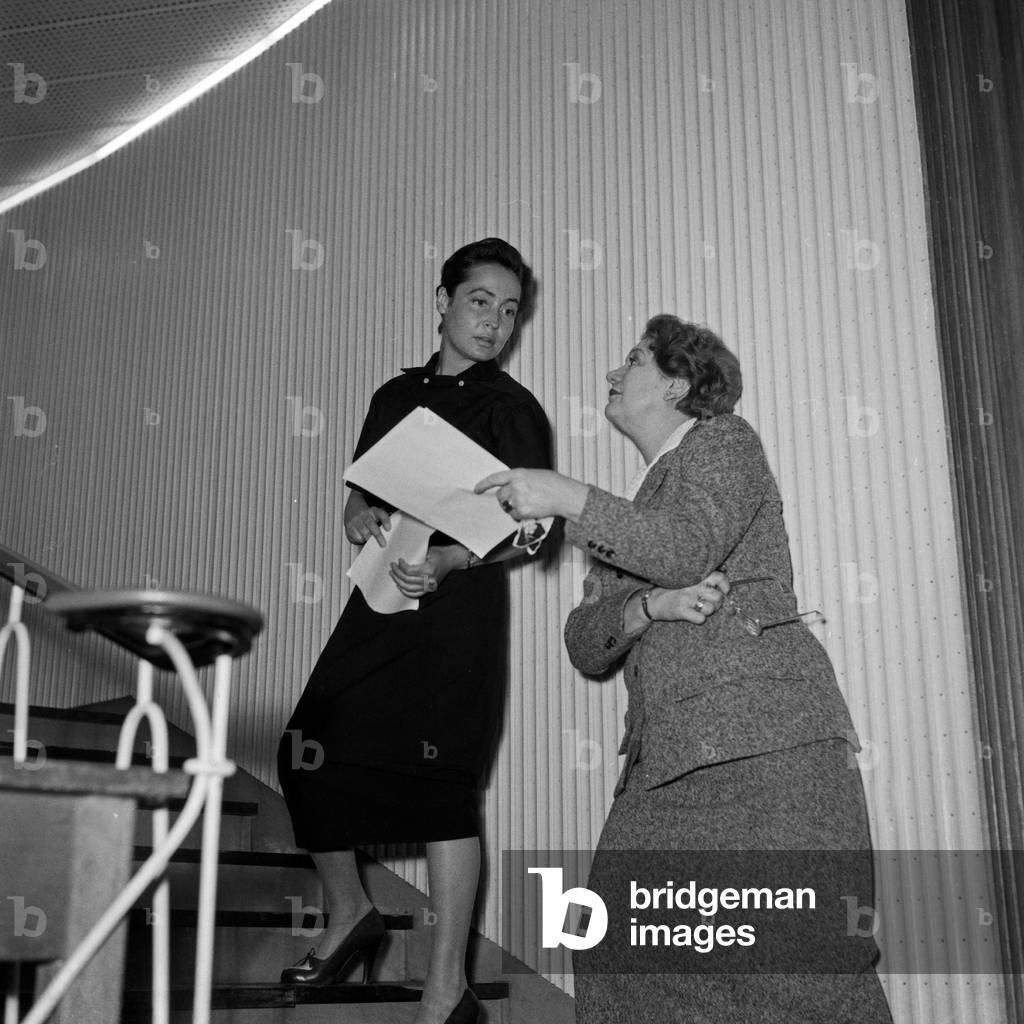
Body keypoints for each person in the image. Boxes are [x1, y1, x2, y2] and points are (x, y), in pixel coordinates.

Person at [476, 315, 893, 1023]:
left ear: (678, 380)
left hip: (766, 752)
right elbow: (587, 641)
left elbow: (685, 546)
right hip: (663, 768)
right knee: (617, 954)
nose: (612, 375)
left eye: (632, 360)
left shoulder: (724, 441)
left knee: (795, 969)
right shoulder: (626, 511)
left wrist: (563, 494)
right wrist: (649, 608)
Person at [276, 239, 555, 1024]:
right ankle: (350, 912)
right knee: (305, 752)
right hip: (380, 602)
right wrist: (356, 512)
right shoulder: (394, 395)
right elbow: (359, 497)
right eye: (479, 302)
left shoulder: (512, 408)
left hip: (457, 616)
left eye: (508, 310)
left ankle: (446, 989)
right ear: (442, 301)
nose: (494, 322)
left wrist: (451, 561)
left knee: (443, 794)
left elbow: (537, 531)